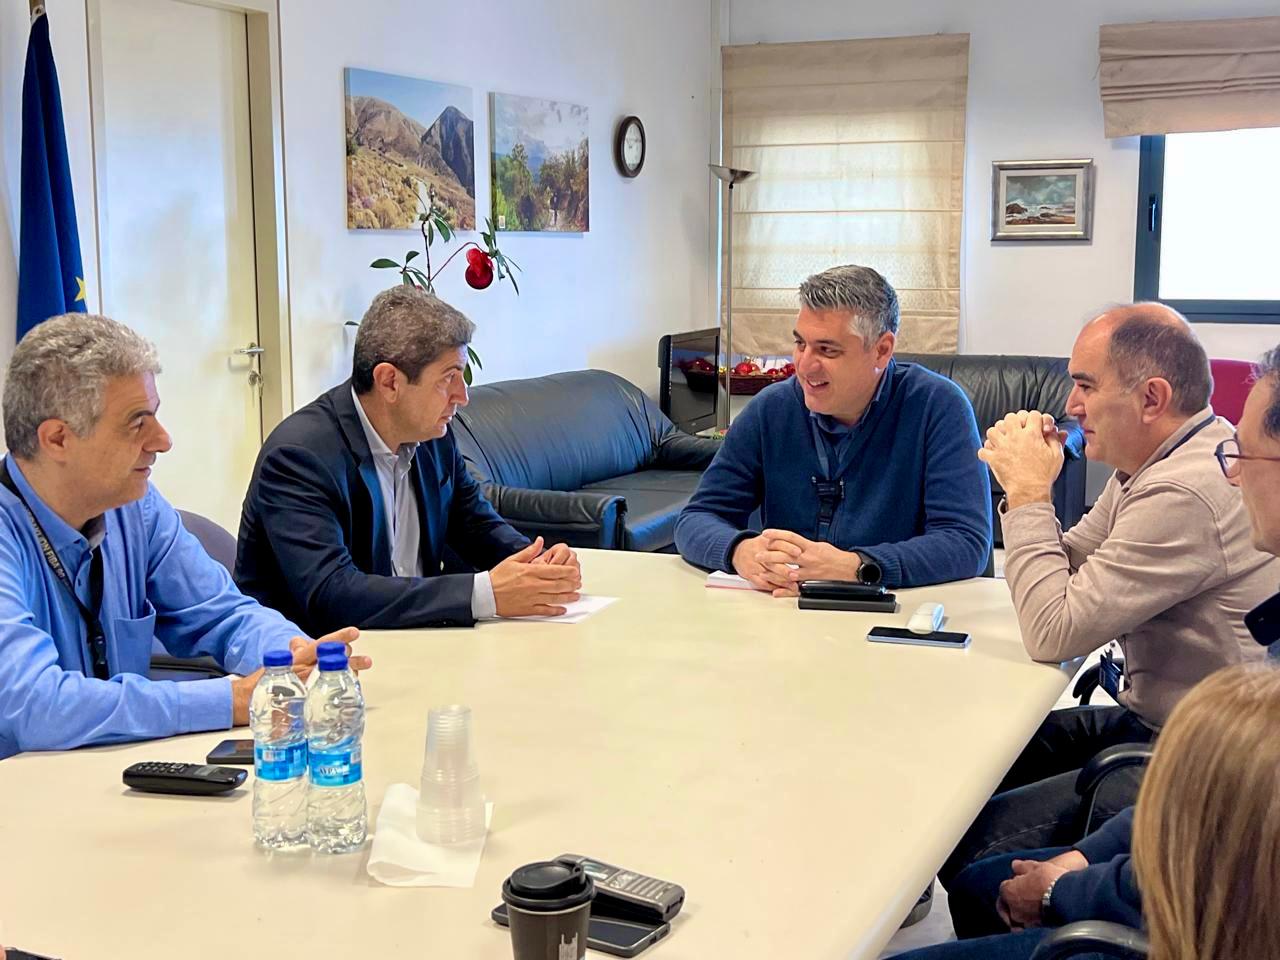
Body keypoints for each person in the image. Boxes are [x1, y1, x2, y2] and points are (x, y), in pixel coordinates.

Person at [939, 305, 1277, 891]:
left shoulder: (1185, 490)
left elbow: (1053, 630)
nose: (1071, 405)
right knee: (972, 761)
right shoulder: (1157, 462)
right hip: (1153, 714)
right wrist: (1027, 495)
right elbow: (1068, 564)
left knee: (971, 852)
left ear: (1151, 398)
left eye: (1086, 385)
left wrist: (1029, 492)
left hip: (1193, 747)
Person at [0, 314, 367, 760]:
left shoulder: (136, 507)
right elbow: (33, 704)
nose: (163, 440)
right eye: (137, 423)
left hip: (111, 774)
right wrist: (231, 700)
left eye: (155, 416)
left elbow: (224, 615)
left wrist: (293, 657)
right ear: (57, 439)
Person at [235, 286, 582, 634]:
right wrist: (484, 594)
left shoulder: (432, 435)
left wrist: (537, 563)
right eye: (449, 378)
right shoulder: (299, 458)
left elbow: (475, 524)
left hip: (415, 640)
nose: (462, 396)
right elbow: (332, 594)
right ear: (389, 382)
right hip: (322, 655)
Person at [895, 660, 1280, 959]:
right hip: (1182, 853)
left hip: (1191, 928)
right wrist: (1081, 857)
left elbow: (1203, 885)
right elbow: (1184, 810)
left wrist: (1056, 892)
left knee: (977, 848)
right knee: (978, 886)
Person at [674, 264, 991, 592]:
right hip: (785, 609)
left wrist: (857, 566)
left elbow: (965, 542)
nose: (804, 365)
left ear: (881, 350)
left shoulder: (937, 406)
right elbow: (696, 519)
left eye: (827, 350)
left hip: (898, 608)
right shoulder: (771, 408)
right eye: (800, 344)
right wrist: (740, 551)